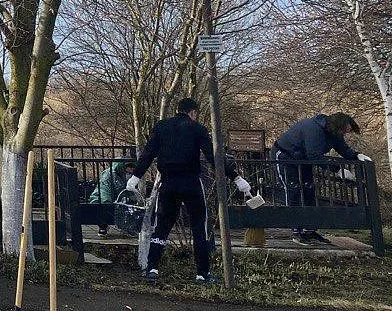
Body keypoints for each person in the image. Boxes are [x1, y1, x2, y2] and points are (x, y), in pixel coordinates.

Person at [127, 98, 254, 284]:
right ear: (193, 112)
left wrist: (136, 176)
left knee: (162, 227)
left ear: (177, 110)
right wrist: (236, 178)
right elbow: (213, 157)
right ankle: (202, 273)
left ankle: (152, 268)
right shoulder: (197, 129)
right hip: (191, 183)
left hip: (168, 183)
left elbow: (148, 153)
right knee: (198, 228)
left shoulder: (161, 127)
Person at [272, 112, 369, 245]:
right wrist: (338, 170)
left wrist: (357, 155)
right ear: (337, 126)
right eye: (344, 131)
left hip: (303, 160)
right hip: (285, 157)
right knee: (293, 191)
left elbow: (343, 149)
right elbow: (314, 155)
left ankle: (309, 230)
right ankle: (296, 231)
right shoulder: (314, 129)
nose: (344, 134)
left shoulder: (335, 134)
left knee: (309, 191)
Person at [88, 159, 136, 236]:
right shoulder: (110, 174)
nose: (131, 171)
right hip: (101, 198)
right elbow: (105, 190)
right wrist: (108, 203)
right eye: (130, 168)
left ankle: (123, 227)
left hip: (111, 198)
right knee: (103, 209)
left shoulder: (119, 174)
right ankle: (104, 227)